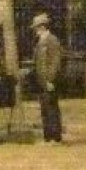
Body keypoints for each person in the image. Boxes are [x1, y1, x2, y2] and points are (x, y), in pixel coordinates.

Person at [32, 14, 65, 143]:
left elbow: (55, 62)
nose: (36, 30)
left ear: (43, 27)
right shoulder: (40, 41)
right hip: (41, 81)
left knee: (52, 109)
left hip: (49, 81)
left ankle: (55, 138)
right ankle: (48, 137)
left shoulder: (52, 41)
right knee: (45, 109)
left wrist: (51, 80)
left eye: (37, 27)